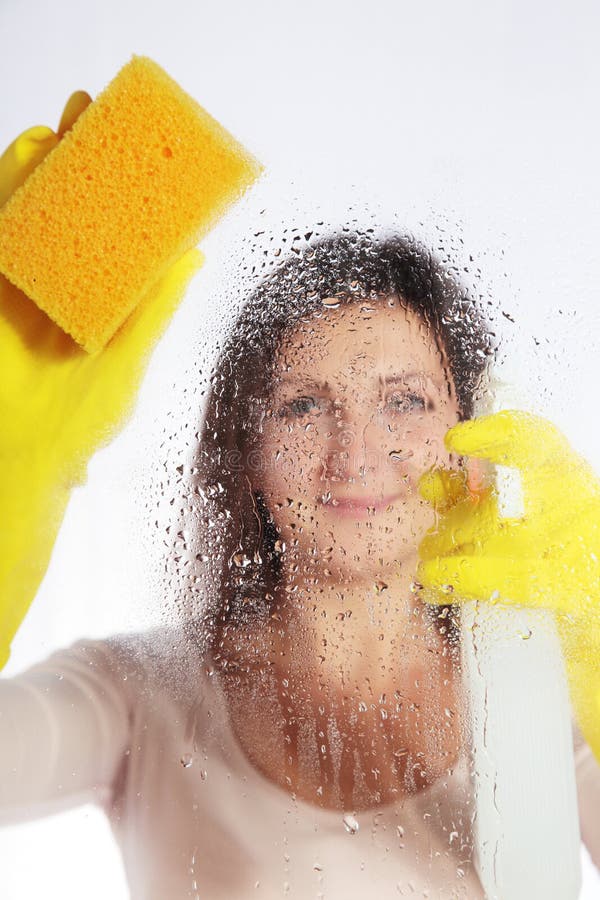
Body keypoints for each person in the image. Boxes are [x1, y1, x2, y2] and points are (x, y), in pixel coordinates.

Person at [0, 230, 598, 899]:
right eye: (304, 406)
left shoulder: (544, 690)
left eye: (404, 401)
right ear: (248, 451)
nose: (357, 454)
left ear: (468, 435)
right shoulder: (137, 694)